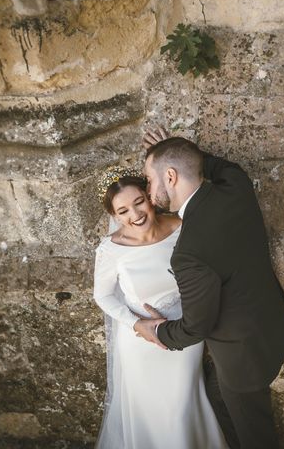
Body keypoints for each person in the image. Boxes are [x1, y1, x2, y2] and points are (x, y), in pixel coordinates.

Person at [135, 131, 284, 449]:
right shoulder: (236, 185)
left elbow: (196, 326)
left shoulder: (189, 252)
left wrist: (156, 332)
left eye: (149, 181)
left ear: (170, 176)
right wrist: (178, 152)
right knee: (215, 399)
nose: (147, 191)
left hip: (242, 359)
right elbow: (215, 166)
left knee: (255, 437)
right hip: (272, 328)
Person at [93, 166, 229, 449]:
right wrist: (136, 324)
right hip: (141, 342)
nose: (135, 215)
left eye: (138, 202)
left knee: (182, 406)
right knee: (150, 413)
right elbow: (103, 296)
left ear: (149, 196)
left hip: (187, 332)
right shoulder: (111, 250)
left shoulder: (182, 227)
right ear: (114, 216)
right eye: (123, 211)